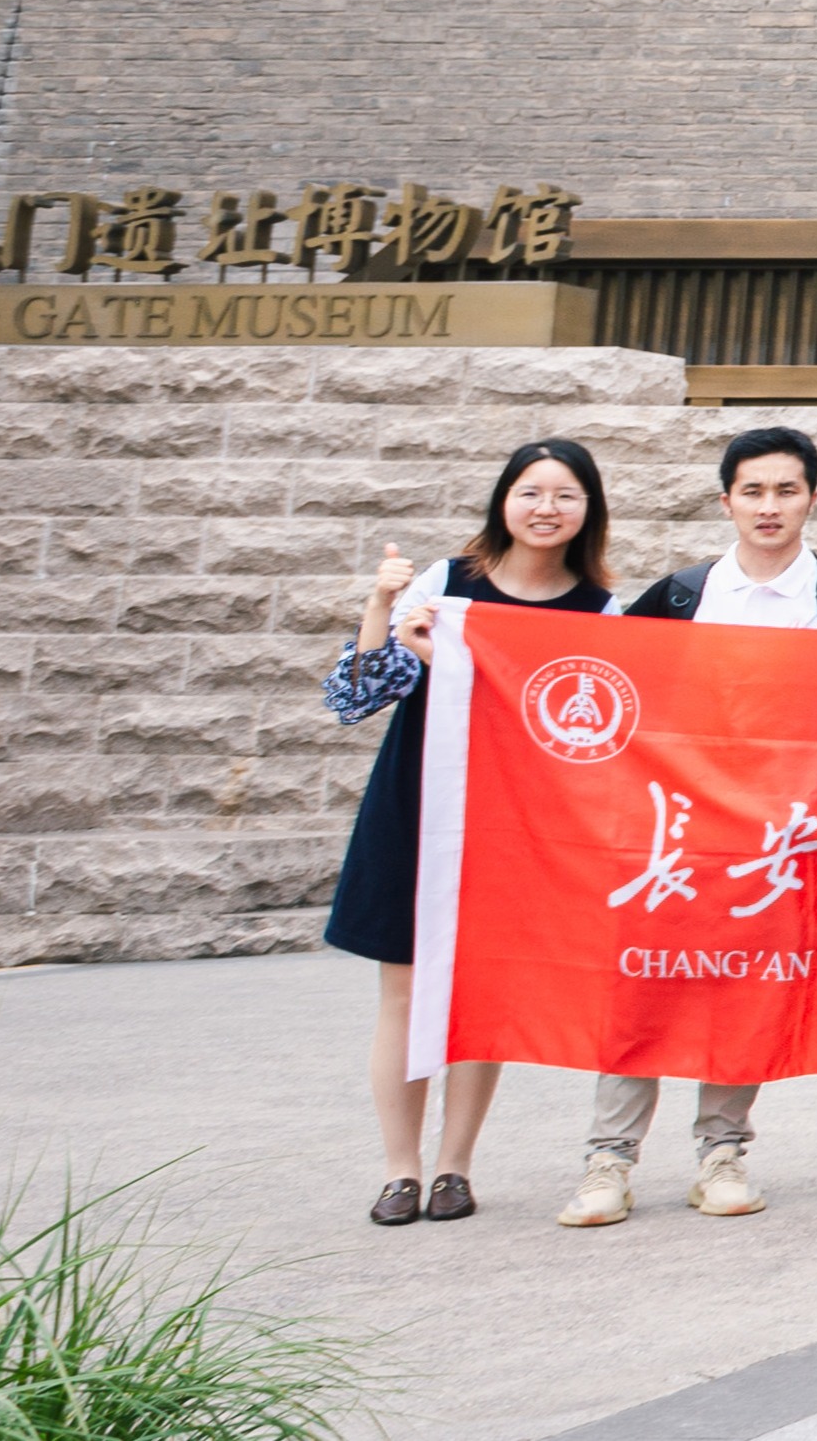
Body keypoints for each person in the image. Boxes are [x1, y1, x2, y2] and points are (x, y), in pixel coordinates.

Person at [586, 425, 817, 1223]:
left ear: (812, 499)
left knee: (744, 994)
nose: (769, 506)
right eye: (752, 491)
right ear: (726, 502)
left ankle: (722, 1154)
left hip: (777, 840)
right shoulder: (681, 596)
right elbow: (613, 689)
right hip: (677, 833)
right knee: (643, 989)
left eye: (786, 490)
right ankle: (607, 1160)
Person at [332, 439, 615, 1228]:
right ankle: (400, 1170)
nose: (546, 509)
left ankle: (455, 1167)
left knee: (481, 992)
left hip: (514, 819)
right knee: (402, 989)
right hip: (416, 803)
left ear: (588, 510)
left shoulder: (601, 612)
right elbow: (356, 697)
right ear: (504, 501)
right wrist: (385, 611)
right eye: (531, 492)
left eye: (565, 495)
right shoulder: (446, 584)